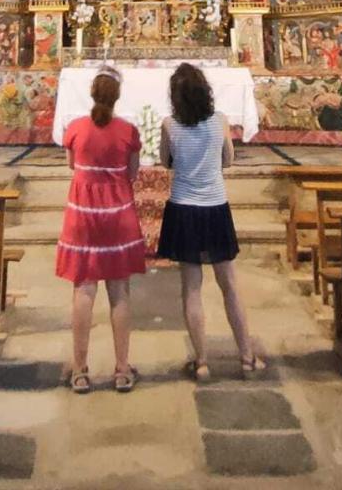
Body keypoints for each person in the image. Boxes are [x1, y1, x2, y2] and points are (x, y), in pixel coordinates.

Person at [157, 63, 266, 381]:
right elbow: (228, 160)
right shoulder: (219, 121)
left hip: (184, 209)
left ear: (175, 96)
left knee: (191, 288)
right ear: (205, 92)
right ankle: (246, 357)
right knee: (229, 285)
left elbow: (165, 162)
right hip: (215, 206)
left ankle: (202, 361)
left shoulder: (169, 125)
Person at [57, 70, 146, 394]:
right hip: (117, 214)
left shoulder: (76, 128)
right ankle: (122, 370)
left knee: (84, 290)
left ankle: (80, 371)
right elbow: (132, 172)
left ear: (92, 94)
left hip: (83, 216)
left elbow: (72, 164)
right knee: (119, 292)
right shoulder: (127, 131)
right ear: (117, 96)